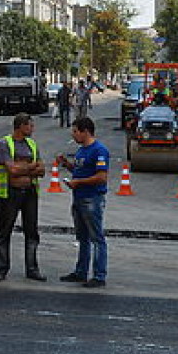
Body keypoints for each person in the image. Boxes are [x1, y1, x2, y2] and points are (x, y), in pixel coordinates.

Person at [56, 116, 110, 287]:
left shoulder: (99, 151)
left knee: (96, 238)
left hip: (91, 198)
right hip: (79, 198)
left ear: (85, 131)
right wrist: (67, 165)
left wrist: (78, 183)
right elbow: (80, 170)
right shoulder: (81, 150)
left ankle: (99, 275)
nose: (73, 135)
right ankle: (81, 271)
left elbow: (101, 177)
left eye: (75, 131)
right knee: (83, 237)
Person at [0, 113, 47, 281]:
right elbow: (12, 171)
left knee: (32, 232)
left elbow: (42, 170)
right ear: (21, 126)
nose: (32, 129)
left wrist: (23, 168)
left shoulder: (31, 144)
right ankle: (1, 269)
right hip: (10, 194)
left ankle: (32, 269)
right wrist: (31, 167)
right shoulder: (4, 144)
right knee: (4, 232)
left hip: (30, 193)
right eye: (30, 125)